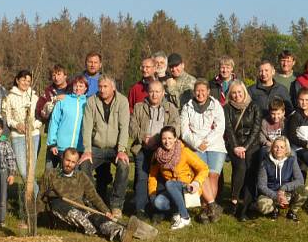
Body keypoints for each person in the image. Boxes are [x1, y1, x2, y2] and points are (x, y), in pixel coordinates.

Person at [39, 148, 128, 242]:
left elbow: (93, 196)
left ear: (77, 163)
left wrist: (106, 211)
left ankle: (120, 232)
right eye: (67, 160)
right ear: (62, 158)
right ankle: (94, 230)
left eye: (73, 162)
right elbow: (40, 197)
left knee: (96, 217)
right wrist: (36, 218)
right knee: (62, 206)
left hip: (80, 208)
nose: (69, 164)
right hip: (59, 209)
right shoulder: (50, 174)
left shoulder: (81, 176)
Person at [80, 75, 131, 217]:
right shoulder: (91, 101)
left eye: (105, 87)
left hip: (115, 148)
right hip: (97, 147)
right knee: (84, 165)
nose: (101, 90)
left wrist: (121, 150)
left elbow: (124, 127)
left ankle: (116, 205)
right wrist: (87, 151)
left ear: (113, 88)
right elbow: (87, 127)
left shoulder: (122, 101)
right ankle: (93, 201)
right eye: (100, 87)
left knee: (124, 166)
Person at [129, 80, 179, 218]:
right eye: (151, 91)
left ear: (163, 93)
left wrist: (160, 139)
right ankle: (141, 209)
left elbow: (176, 128)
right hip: (143, 148)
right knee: (142, 178)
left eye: (158, 91)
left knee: (162, 179)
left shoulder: (170, 108)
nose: (154, 94)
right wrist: (143, 137)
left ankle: (159, 210)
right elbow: (132, 127)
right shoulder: (139, 107)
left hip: (162, 150)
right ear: (147, 92)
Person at [180, 79, 226, 222]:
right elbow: (185, 131)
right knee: (202, 174)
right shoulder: (187, 107)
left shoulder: (216, 105)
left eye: (203, 91)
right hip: (195, 145)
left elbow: (220, 127)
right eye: (197, 91)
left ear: (208, 92)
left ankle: (206, 209)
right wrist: (197, 143)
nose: (200, 93)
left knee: (213, 175)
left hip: (215, 145)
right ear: (194, 92)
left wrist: (207, 142)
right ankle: (211, 208)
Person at [148, 126, 210, 230]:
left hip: (188, 187)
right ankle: (176, 212)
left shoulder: (184, 151)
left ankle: (185, 217)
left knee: (170, 184)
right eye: (164, 139)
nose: (167, 142)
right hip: (172, 190)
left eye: (170, 138)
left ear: (175, 138)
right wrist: (152, 193)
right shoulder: (157, 155)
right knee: (158, 202)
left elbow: (204, 168)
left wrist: (196, 183)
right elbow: (152, 175)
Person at [2, 69, 42, 206]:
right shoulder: (10, 97)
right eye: (23, 79)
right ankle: (38, 199)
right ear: (17, 80)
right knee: (24, 173)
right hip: (17, 137)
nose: (26, 82)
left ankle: (33, 206)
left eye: (29, 80)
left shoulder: (35, 97)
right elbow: (8, 118)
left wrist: (33, 126)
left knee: (31, 172)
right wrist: (16, 125)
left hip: (34, 136)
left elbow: (41, 117)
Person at [223, 80, 262, 221]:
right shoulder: (226, 108)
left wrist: (245, 147)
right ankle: (234, 200)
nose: (237, 95)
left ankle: (245, 206)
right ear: (230, 94)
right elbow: (228, 129)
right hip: (234, 145)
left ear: (244, 92)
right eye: (234, 92)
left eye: (240, 92)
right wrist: (236, 147)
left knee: (251, 170)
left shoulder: (254, 107)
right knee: (240, 166)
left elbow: (256, 129)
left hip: (252, 145)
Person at [256, 136, 308, 222]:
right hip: (271, 194)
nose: (278, 149)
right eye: (276, 147)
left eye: (282, 147)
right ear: (272, 148)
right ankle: (274, 210)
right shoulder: (264, 163)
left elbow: (300, 180)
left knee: (304, 189)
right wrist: (276, 196)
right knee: (261, 204)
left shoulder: (292, 160)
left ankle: (292, 212)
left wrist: (284, 188)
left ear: (286, 150)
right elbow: (261, 186)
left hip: (286, 193)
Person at [46, 75, 88, 164]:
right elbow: (54, 121)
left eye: (81, 86)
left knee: (74, 175)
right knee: (58, 174)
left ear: (86, 88)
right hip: (61, 146)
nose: (78, 88)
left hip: (79, 147)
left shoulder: (88, 104)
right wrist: (52, 143)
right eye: (75, 85)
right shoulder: (63, 100)